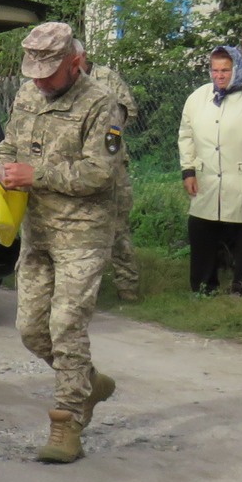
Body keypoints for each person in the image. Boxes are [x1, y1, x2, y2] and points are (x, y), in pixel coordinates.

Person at [0, 20, 127, 464]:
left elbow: (99, 172)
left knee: (66, 328)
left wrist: (38, 175)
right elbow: (9, 145)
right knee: (32, 331)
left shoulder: (102, 104)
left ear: (75, 62)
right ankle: (87, 381)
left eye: (49, 73)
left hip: (83, 234)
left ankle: (67, 423)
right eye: (34, 72)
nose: (41, 82)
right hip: (38, 232)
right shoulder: (28, 95)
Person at [178, 45, 242, 296]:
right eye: (215, 70)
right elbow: (186, 136)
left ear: (237, 69)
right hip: (207, 177)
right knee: (202, 229)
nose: (219, 75)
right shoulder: (198, 97)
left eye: (225, 70)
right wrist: (188, 170)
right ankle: (203, 286)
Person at [80, 46, 141, 302]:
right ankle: (83, 288)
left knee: (118, 227)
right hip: (78, 168)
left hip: (112, 164)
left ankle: (127, 285)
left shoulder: (106, 77)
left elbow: (129, 111)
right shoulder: (64, 84)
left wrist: (104, 128)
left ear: (81, 56)